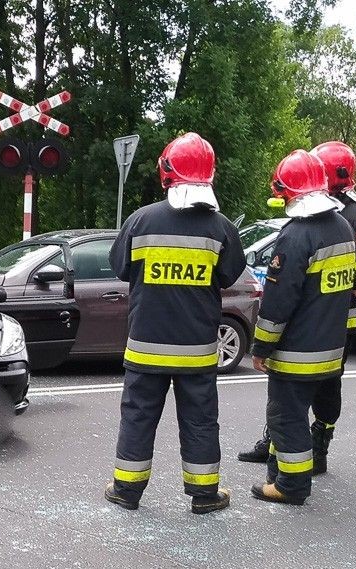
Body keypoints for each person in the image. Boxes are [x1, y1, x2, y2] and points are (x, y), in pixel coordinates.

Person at [104, 132, 246, 514]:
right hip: (197, 351)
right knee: (200, 421)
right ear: (209, 176)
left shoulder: (140, 221)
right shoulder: (221, 229)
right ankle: (204, 495)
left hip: (145, 347)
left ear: (166, 172)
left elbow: (119, 268)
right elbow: (231, 275)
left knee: (138, 417)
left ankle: (126, 490)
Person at [238, 141, 356, 473]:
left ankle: (316, 450)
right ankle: (274, 445)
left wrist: (348, 283)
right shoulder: (325, 213)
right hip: (312, 318)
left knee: (324, 388)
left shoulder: (349, 213)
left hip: (335, 319)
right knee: (284, 387)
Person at [248, 150, 355, 505]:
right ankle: (281, 472)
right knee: (295, 415)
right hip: (331, 348)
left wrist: (261, 347)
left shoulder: (295, 236)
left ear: (290, 192)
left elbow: (279, 303)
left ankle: (290, 486)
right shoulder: (340, 227)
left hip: (297, 351)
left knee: (286, 417)